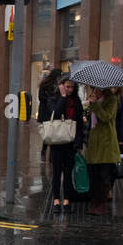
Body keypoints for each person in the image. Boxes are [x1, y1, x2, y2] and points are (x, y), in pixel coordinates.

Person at [39, 78, 84, 209]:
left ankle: (67, 199)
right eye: (67, 87)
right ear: (61, 86)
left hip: (71, 142)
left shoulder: (77, 101)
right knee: (57, 172)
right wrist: (63, 97)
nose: (70, 89)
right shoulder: (53, 99)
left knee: (68, 173)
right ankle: (56, 199)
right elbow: (56, 113)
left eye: (72, 87)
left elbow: (79, 124)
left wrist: (79, 143)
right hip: (57, 142)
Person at [84, 86, 120, 215]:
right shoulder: (94, 99)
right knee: (93, 176)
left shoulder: (112, 100)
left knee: (104, 177)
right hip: (94, 143)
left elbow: (106, 117)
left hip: (106, 144)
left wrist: (94, 105)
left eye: (98, 88)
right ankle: (94, 203)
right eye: (94, 88)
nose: (95, 90)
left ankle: (101, 205)